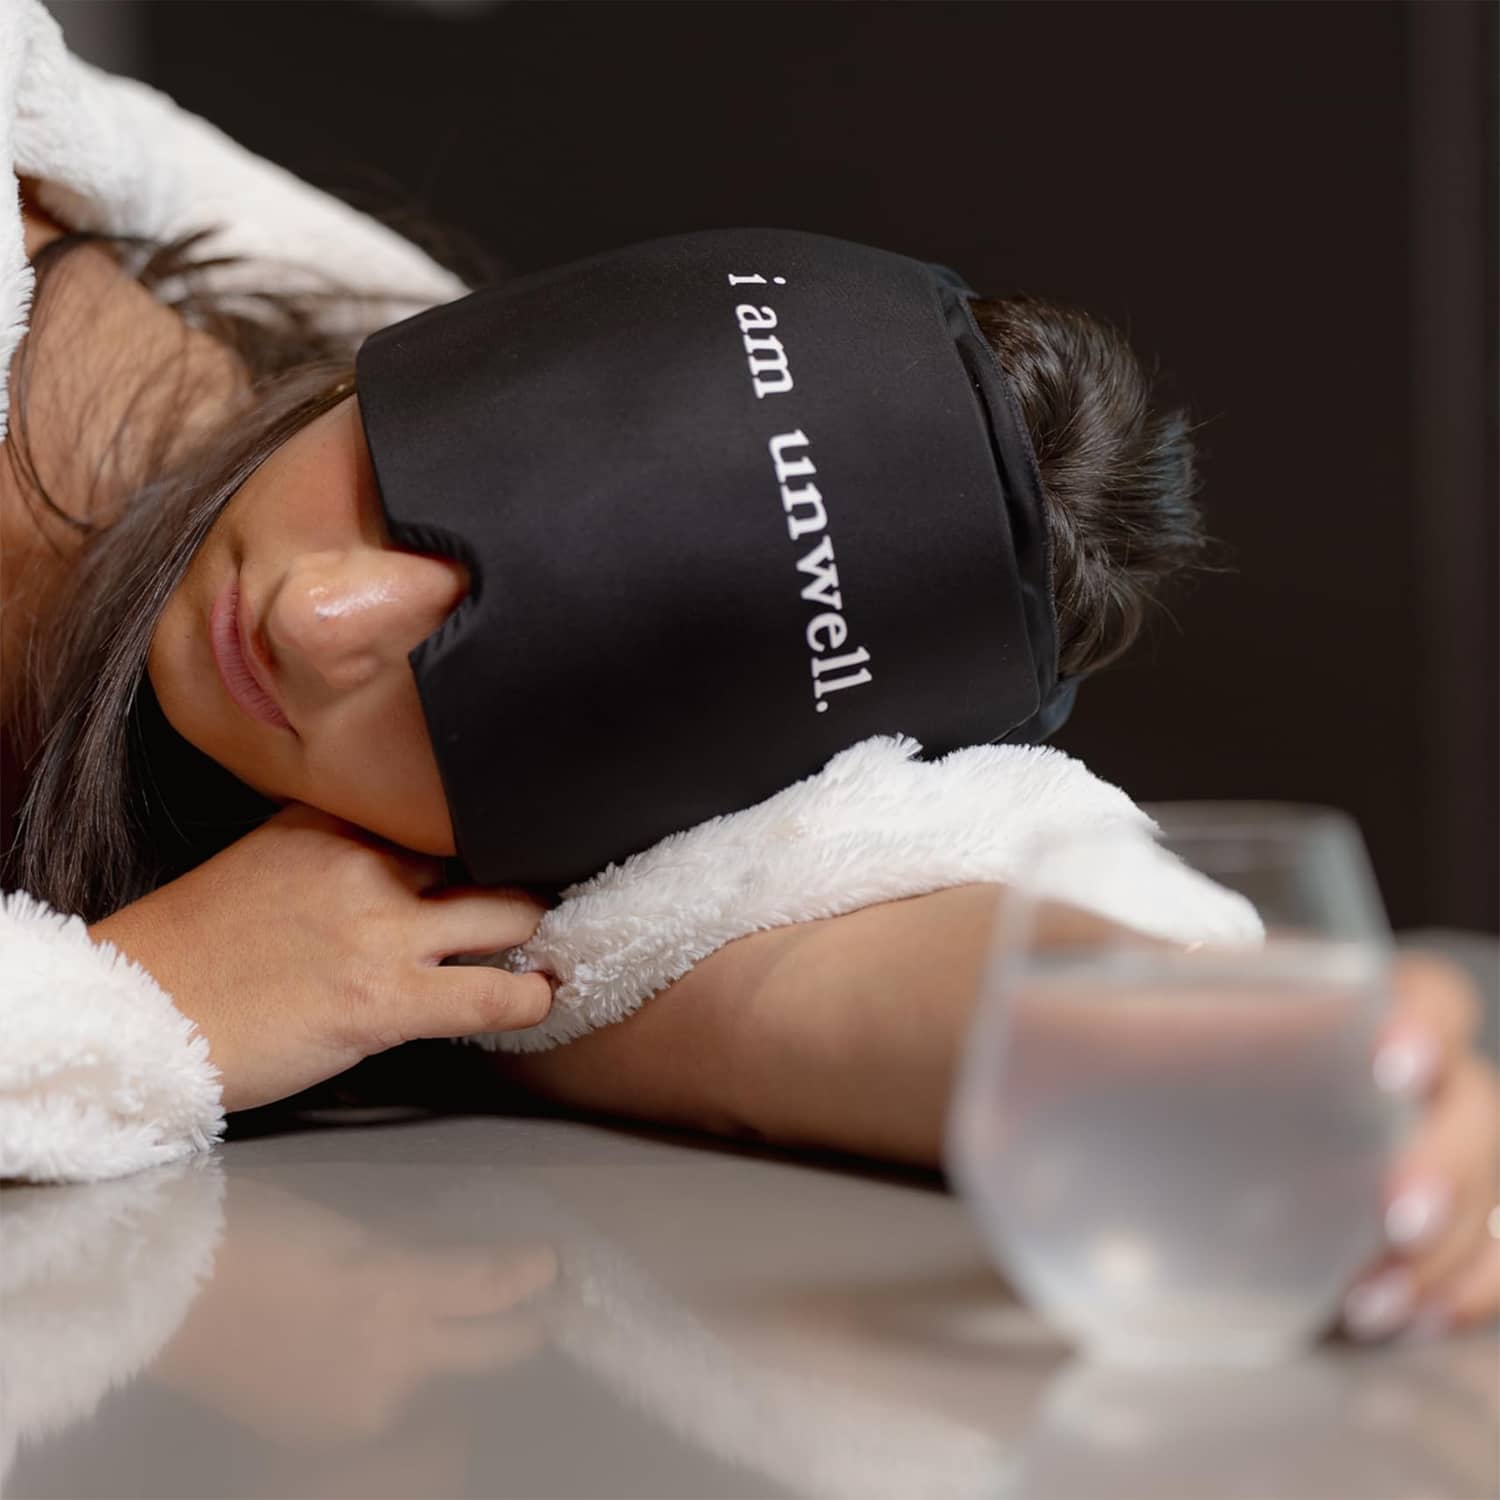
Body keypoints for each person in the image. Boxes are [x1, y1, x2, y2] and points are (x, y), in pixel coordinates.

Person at [0, 19, 1494, 1341]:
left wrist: (1264, 1068)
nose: (319, 617)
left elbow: (787, 946)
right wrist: (145, 1006)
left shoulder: (432, 873)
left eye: (479, 689)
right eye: (393, 490)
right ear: (422, 354)